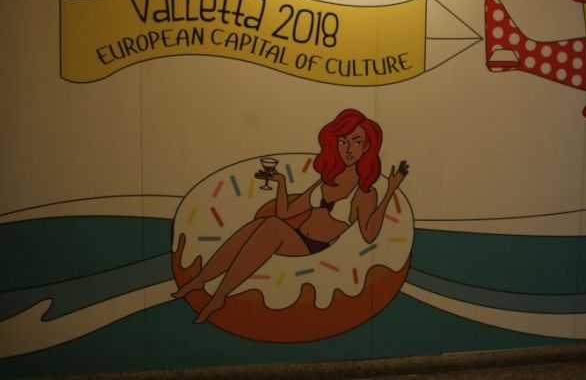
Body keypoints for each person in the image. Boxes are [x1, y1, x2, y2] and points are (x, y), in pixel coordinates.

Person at [172, 108, 409, 324]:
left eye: (356, 142)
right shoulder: (328, 179)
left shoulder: (364, 193)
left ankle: (219, 296)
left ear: (366, 147)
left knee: (271, 226)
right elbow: (286, 212)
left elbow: (369, 234)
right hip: (295, 236)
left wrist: (390, 191)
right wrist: (281, 183)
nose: (348, 149)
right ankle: (200, 280)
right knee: (260, 226)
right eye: (343, 141)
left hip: (314, 246)